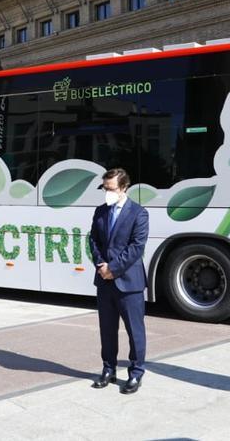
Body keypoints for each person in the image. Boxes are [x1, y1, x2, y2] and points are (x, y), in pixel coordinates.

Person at [88, 167, 149, 395]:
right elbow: (93, 240)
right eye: (105, 188)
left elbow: (136, 247)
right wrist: (101, 266)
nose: (107, 192)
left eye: (111, 188)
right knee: (107, 329)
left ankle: (136, 373)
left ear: (124, 187)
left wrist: (113, 268)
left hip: (128, 282)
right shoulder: (100, 211)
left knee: (135, 330)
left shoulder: (139, 213)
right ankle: (108, 369)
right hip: (104, 281)